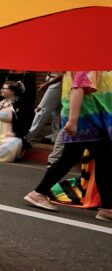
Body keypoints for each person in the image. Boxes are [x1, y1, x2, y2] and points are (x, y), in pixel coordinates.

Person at [23, 71, 112, 219]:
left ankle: (107, 208)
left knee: (82, 159)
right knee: (99, 161)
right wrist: (73, 120)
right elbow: (78, 88)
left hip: (91, 119)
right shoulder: (88, 58)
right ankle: (38, 193)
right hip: (87, 120)